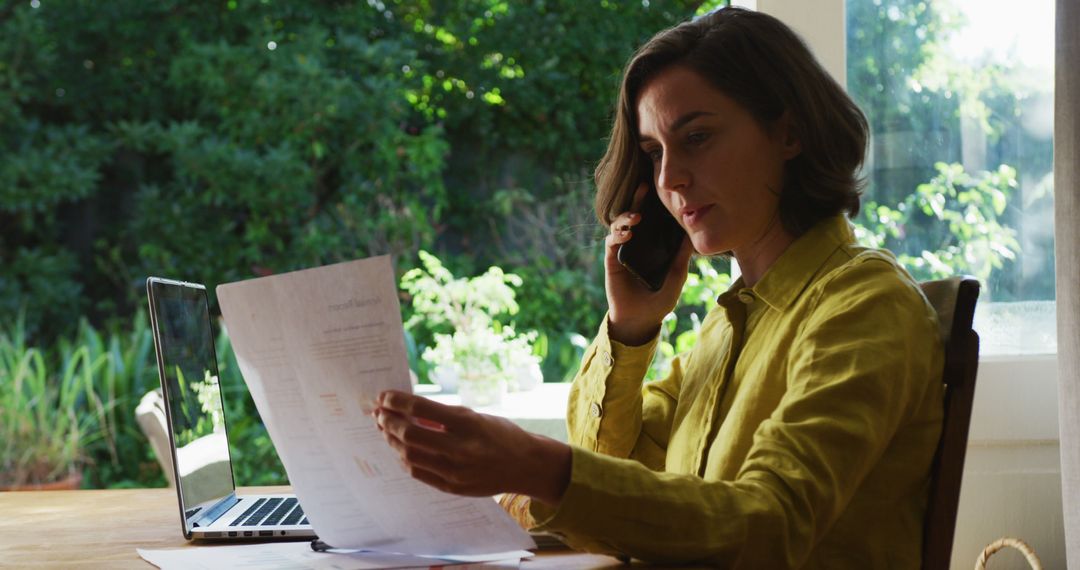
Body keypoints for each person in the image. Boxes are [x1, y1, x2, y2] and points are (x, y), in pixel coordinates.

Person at [373, 7, 944, 568]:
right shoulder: (730, 325)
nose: (669, 178)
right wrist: (630, 328)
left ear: (788, 132)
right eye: (653, 152)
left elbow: (770, 525)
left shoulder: (864, 306)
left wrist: (538, 467)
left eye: (696, 137)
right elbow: (609, 475)